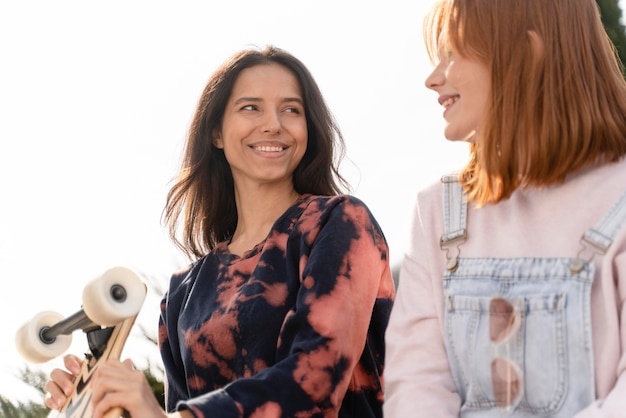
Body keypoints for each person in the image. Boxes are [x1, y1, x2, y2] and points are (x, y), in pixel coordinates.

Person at [44, 45, 395, 418]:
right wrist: (113, 401)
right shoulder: (184, 293)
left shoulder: (340, 224)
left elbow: (313, 382)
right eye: (251, 107)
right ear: (216, 132)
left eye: (291, 109)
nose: (273, 123)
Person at [384, 0, 626, 417]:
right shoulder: (439, 212)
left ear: (527, 54)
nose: (432, 78)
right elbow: (417, 383)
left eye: (453, 53)